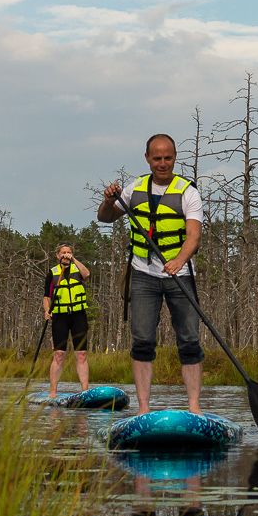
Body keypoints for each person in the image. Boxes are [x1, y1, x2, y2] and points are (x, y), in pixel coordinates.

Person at [98, 134, 204, 414]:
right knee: (143, 341)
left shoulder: (188, 192)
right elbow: (105, 217)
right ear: (147, 158)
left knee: (190, 341)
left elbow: (193, 237)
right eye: (157, 158)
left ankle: (194, 407)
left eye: (168, 157)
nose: (162, 163)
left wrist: (179, 260)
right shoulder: (134, 190)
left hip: (179, 275)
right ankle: (143, 408)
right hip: (143, 274)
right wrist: (109, 201)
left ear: (175, 157)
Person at [42, 242, 90, 398]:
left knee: (81, 354)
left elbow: (87, 274)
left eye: (68, 252)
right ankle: (53, 392)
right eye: (63, 252)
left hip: (78, 315)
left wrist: (74, 259)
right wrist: (46, 311)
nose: (66, 255)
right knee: (59, 354)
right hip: (60, 317)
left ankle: (84, 391)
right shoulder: (52, 273)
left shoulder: (78, 269)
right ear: (57, 255)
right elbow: (46, 296)